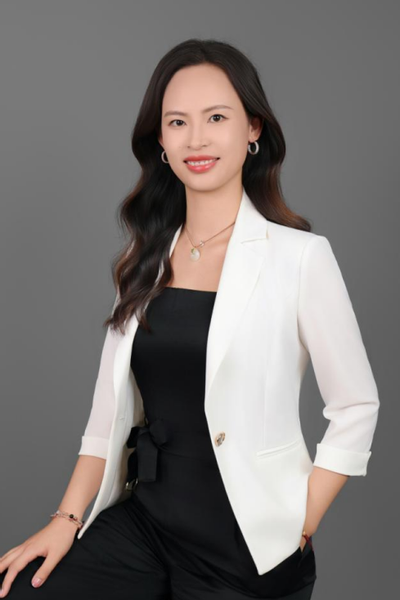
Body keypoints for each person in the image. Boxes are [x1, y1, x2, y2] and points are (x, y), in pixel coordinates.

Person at [0, 38, 380, 600]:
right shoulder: (143, 260)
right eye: (177, 122)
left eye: (216, 118)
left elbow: (356, 407)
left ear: (253, 128)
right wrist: (65, 520)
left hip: (245, 547)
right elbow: (106, 419)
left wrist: (301, 521)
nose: (196, 139)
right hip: (147, 527)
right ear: (161, 140)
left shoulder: (300, 257)